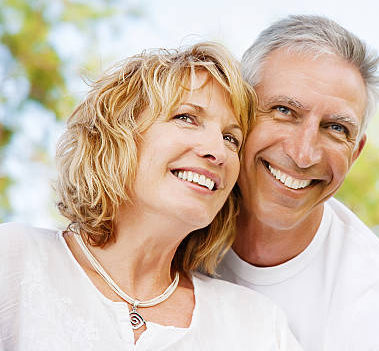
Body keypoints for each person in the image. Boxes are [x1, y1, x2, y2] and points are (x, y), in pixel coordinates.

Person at [0, 43, 301, 350]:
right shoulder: (14, 259)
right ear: (118, 135)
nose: (217, 151)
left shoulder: (258, 325)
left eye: (230, 138)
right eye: (186, 118)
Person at [217, 15, 379, 350]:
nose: (303, 154)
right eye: (283, 110)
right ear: (238, 108)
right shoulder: (167, 224)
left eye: (336, 128)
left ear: (356, 153)